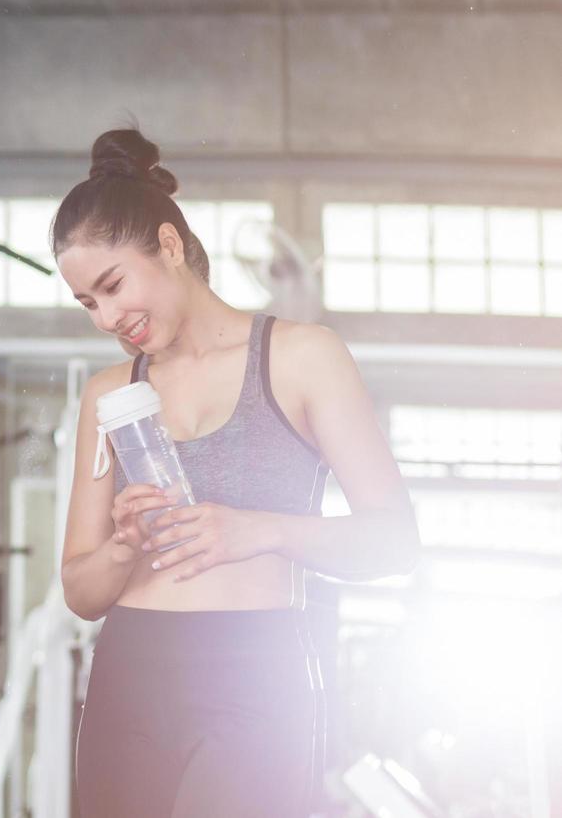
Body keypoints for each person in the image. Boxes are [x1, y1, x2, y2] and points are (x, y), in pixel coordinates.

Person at [55, 128, 421, 818]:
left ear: (168, 245)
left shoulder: (303, 357)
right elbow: (79, 588)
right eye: (88, 304)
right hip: (131, 677)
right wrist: (125, 543)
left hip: (259, 673)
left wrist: (258, 530)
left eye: (112, 286)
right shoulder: (108, 392)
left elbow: (393, 541)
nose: (107, 318)